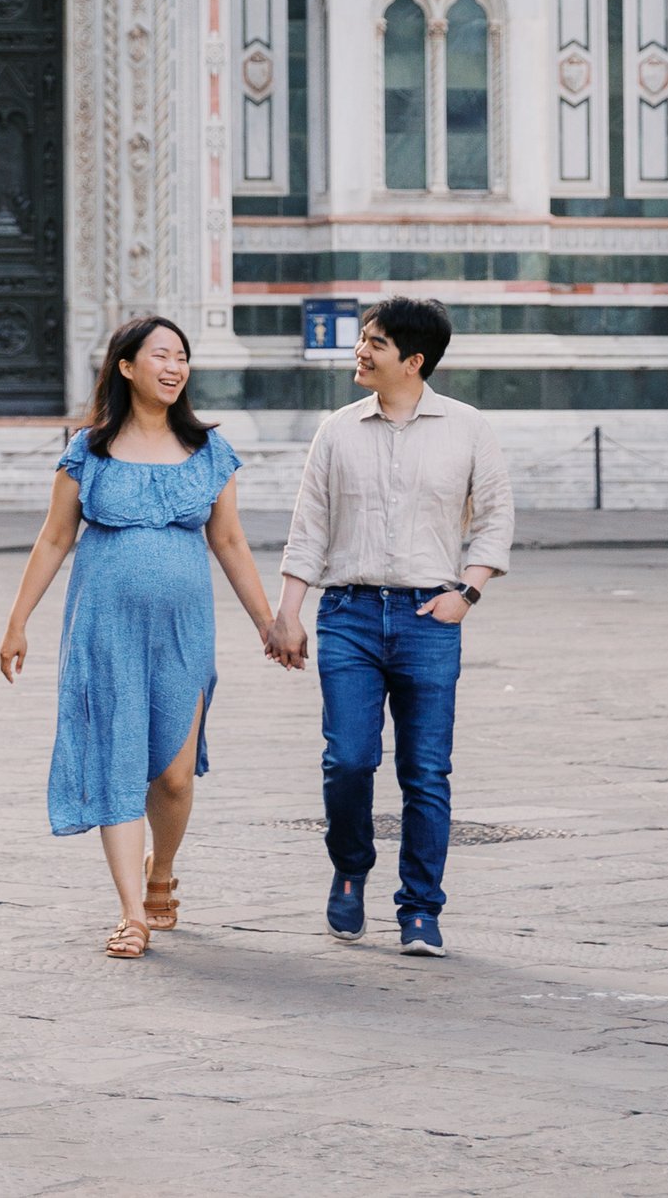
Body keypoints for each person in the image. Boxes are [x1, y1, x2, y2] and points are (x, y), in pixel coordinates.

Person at [0, 315, 284, 959]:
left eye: (181, 356)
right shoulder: (88, 450)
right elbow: (54, 537)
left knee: (176, 777)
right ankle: (132, 913)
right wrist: (18, 621)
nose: (174, 367)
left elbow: (231, 541)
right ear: (126, 367)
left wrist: (268, 622)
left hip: (183, 633)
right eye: (161, 355)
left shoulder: (210, 451)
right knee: (116, 761)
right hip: (103, 632)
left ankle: (162, 873)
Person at [268, 295, 514, 957]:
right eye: (363, 339)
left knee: (426, 771)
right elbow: (309, 525)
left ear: (413, 360)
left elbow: (494, 517)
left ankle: (420, 908)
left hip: (430, 615)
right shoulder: (337, 429)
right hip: (347, 613)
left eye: (374, 342)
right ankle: (350, 868)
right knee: (348, 758)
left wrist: (469, 590)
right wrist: (287, 610)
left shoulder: (467, 428)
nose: (360, 349)